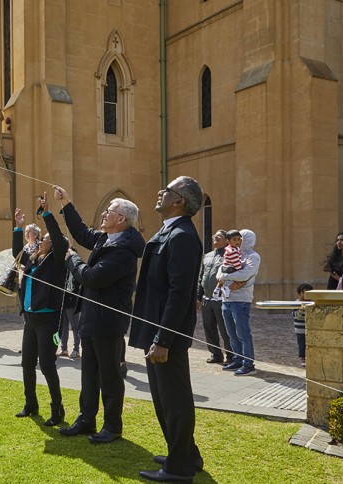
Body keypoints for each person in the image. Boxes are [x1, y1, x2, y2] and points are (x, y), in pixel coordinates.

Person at [55, 185, 145, 444]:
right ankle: (86, 419)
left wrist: (71, 258)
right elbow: (82, 232)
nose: (105, 214)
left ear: (122, 220)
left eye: (110, 211)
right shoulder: (107, 239)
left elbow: (91, 278)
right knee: (89, 373)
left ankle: (112, 426)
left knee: (110, 377)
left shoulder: (124, 251)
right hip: (91, 318)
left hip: (109, 322)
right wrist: (67, 204)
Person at [129, 176, 205, 482]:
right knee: (164, 398)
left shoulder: (183, 236)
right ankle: (186, 454)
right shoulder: (170, 231)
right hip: (156, 329)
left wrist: (163, 340)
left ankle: (178, 468)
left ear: (180, 201)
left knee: (174, 399)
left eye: (168, 190)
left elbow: (179, 293)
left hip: (166, 335)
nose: (160, 192)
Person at [12, 198, 67, 427]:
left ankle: (57, 410)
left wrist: (46, 215)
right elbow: (17, 253)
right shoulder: (34, 259)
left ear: (52, 243)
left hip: (48, 319)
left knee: (46, 365)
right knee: (27, 364)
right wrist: (18, 227)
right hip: (30, 319)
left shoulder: (56, 261)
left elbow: (56, 238)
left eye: (45, 239)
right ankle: (30, 404)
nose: (41, 240)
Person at [218, 229, 261, 376]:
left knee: (243, 333)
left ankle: (248, 364)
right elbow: (219, 271)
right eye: (236, 238)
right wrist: (225, 278)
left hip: (241, 299)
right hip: (227, 298)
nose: (238, 241)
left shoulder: (253, 257)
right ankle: (237, 359)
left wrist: (225, 278)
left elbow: (246, 274)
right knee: (231, 333)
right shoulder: (231, 252)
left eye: (240, 238)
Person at [198, 230, 234, 365]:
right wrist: (198, 296)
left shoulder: (230, 255)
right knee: (209, 328)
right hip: (207, 299)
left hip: (222, 298)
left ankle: (231, 356)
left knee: (225, 329)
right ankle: (215, 354)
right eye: (214, 236)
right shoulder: (207, 256)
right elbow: (201, 277)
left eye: (219, 236)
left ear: (226, 240)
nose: (215, 238)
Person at [58, 258, 82, 358]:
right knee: (64, 326)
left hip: (72, 302)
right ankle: (64, 349)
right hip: (63, 302)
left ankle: (76, 350)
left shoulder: (76, 270)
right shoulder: (63, 269)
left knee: (75, 326)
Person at [213, 230, 242, 299]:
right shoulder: (233, 251)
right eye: (234, 240)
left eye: (239, 239)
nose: (237, 242)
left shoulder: (230, 249)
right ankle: (227, 287)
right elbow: (236, 263)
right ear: (228, 241)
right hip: (230, 268)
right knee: (235, 278)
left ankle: (217, 289)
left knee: (222, 280)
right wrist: (239, 269)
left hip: (225, 267)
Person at [293, 283, 313, 368]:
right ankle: (303, 358)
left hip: (310, 328)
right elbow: (295, 315)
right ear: (300, 293)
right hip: (300, 328)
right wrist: (301, 310)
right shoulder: (296, 303)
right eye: (304, 293)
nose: (306, 295)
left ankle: (311, 357)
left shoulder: (312, 302)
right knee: (302, 344)